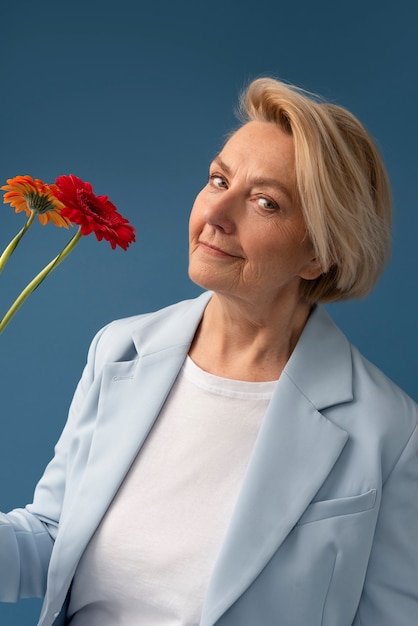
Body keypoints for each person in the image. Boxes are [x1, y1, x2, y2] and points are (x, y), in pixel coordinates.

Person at [0, 77, 417, 626]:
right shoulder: (119, 349)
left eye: (265, 202)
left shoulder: (390, 431)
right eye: (218, 179)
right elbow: (55, 538)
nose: (217, 212)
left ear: (318, 254)